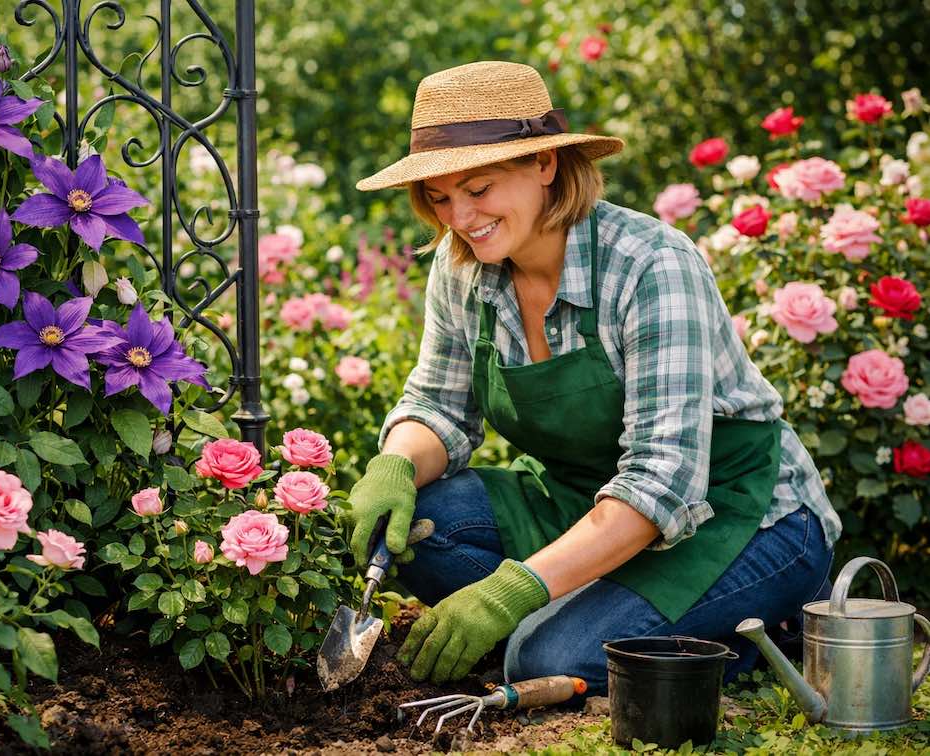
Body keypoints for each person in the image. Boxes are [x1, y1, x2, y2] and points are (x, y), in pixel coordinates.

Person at [344, 61, 840, 692]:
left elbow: (660, 482)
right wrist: (394, 465)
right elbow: (439, 404)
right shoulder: (462, 263)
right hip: (584, 498)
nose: (460, 218)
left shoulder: (651, 265)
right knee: (422, 527)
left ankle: (760, 631)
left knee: (548, 657)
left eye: (478, 188)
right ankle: (598, 608)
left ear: (544, 163)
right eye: (439, 198)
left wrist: (509, 591)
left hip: (735, 514)